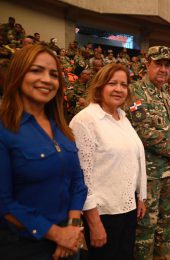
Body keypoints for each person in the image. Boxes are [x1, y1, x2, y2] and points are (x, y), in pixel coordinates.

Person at [0, 44, 87, 259]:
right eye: (36, 70)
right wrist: (57, 234)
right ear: (18, 75)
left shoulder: (61, 128)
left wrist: (73, 227)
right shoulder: (4, 128)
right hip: (25, 246)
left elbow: (77, 181)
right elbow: (4, 202)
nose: (47, 80)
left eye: (53, 74)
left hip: (69, 240)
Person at [69, 64, 147, 260]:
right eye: (112, 83)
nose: (119, 89)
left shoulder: (123, 117)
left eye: (123, 84)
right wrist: (94, 223)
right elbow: (82, 176)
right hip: (103, 213)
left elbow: (135, 158)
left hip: (127, 209)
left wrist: (140, 196)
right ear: (100, 86)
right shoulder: (85, 120)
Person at [127, 46, 170, 260]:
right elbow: (143, 131)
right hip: (149, 175)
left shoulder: (167, 95)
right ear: (147, 64)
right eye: (158, 64)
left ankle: (161, 256)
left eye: (166, 65)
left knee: (167, 222)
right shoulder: (135, 91)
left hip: (169, 174)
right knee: (146, 226)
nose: (163, 69)